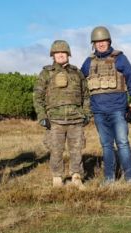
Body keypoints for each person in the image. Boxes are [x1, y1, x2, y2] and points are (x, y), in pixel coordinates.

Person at [80, 26, 131, 184]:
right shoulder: (89, 62)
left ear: (109, 41)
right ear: (93, 44)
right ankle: (109, 178)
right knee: (106, 145)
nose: (101, 44)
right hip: (98, 112)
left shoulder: (120, 58)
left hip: (118, 110)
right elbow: (79, 81)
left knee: (123, 143)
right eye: (97, 42)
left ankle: (130, 178)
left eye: (103, 41)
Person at [33, 40, 91, 189]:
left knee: (76, 150)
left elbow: (86, 96)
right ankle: (57, 178)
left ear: (68, 54)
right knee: (56, 150)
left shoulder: (77, 73)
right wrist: (42, 117)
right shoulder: (46, 73)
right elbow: (37, 97)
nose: (60, 55)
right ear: (52, 55)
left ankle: (76, 177)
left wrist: (86, 114)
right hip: (55, 120)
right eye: (57, 53)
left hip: (75, 119)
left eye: (63, 52)